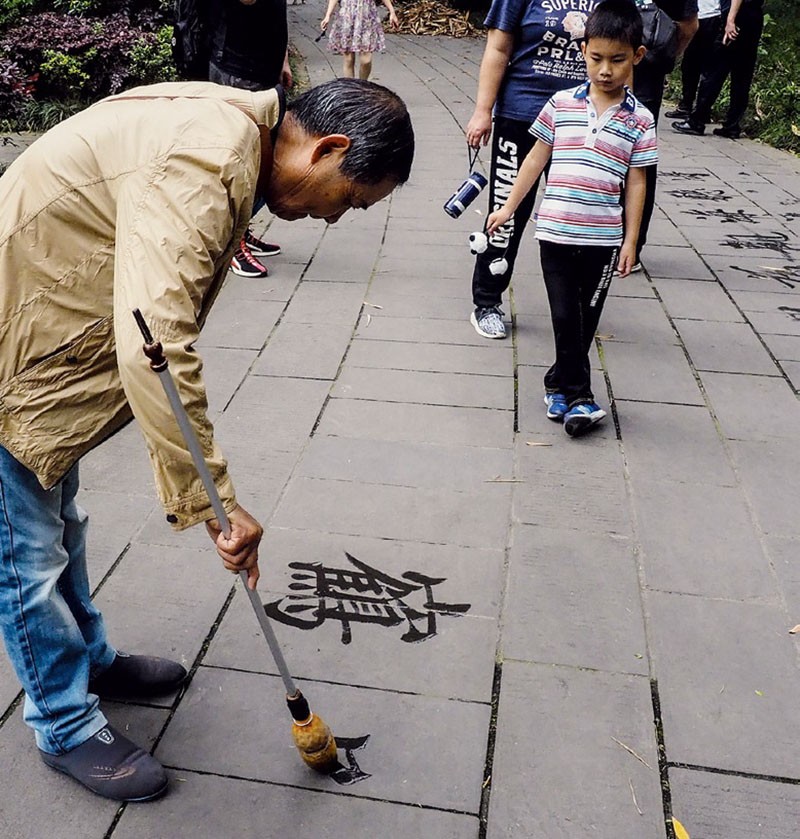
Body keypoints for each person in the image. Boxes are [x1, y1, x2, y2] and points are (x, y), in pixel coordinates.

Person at [0, 78, 414, 803]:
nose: (332, 219)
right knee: (24, 552)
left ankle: (88, 659)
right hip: (14, 346)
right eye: (349, 200)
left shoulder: (241, 131)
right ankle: (62, 722)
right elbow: (155, 344)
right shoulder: (204, 164)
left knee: (61, 520)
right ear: (327, 148)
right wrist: (215, 503)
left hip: (42, 328)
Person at [485, 0, 657, 436]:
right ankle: (581, 398)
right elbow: (533, 160)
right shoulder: (561, 103)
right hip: (556, 232)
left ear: (637, 56)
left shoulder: (640, 120)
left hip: (603, 239)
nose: (605, 70)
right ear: (583, 51)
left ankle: (557, 385)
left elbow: (637, 183)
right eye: (596, 58)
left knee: (586, 319)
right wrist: (507, 207)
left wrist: (631, 241)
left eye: (617, 60)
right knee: (565, 315)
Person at [465, 0, 606, 340]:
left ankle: (575, 306)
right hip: (521, 113)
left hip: (583, 121)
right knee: (508, 211)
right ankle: (487, 301)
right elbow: (498, 47)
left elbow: (623, 51)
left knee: (578, 212)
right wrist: (483, 110)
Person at [206, 0, 294, 279]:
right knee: (240, 162)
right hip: (237, 72)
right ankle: (230, 243)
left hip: (264, 72)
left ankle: (242, 231)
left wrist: (283, 61)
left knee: (262, 162)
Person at [629, 0, 698, 269]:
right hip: (647, 73)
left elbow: (689, 25)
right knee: (638, 157)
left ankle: (623, 244)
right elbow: (689, 26)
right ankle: (629, 246)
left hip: (609, 68)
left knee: (633, 156)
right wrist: (665, 53)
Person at [671, 0, 764, 139]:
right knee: (742, 73)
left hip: (738, 16)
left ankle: (697, 120)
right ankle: (732, 125)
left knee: (715, 69)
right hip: (754, 16)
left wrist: (730, 20)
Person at [664, 0, 722, 120]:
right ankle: (686, 105)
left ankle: (702, 111)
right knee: (689, 65)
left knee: (707, 68)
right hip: (692, 16)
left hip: (712, 15)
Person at [320, 0, 399, 81]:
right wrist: (327, 15)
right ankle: (351, 86)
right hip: (347, 16)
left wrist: (392, 12)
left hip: (367, 17)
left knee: (366, 60)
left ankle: (363, 84)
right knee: (349, 59)